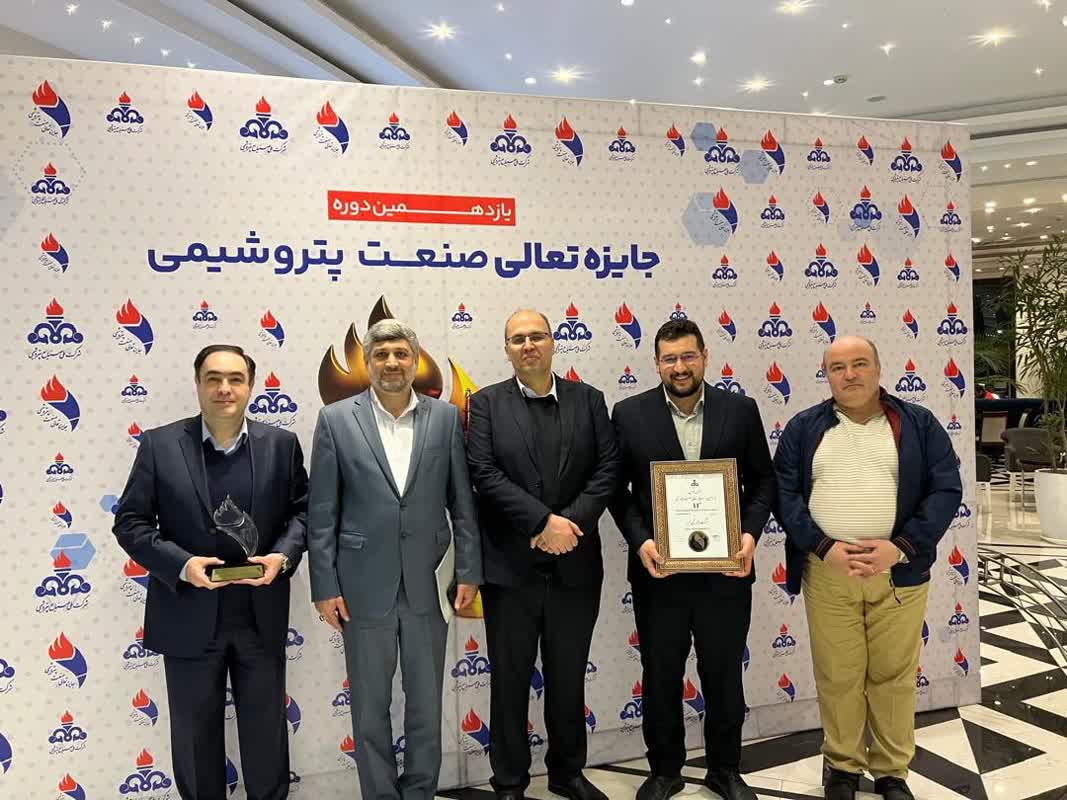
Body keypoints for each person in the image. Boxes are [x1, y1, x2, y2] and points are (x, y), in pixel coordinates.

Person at [113, 344, 308, 800]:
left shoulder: (281, 445)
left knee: (267, 737)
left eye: (235, 379)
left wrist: (282, 557)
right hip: (187, 617)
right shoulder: (160, 446)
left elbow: (303, 513)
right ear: (198, 384)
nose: (225, 388)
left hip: (259, 617)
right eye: (213, 378)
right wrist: (182, 565)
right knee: (195, 741)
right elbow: (130, 522)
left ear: (251, 386)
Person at [773, 336, 962, 800]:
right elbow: (785, 495)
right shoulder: (803, 428)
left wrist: (901, 547)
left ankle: (892, 772)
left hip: (898, 573)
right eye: (838, 368)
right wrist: (823, 547)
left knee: (893, 677)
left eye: (859, 364)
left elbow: (945, 490)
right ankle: (842, 766)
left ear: (878, 369)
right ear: (826, 375)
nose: (850, 374)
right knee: (838, 675)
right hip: (828, 573)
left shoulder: (919, 424)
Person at [307, 319, 482, 800]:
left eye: (401, 354)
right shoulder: (336, 420)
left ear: (415, 361)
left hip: (430, 582)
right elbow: (321, 512)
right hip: (362, 586)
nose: (391, 363)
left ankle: (421, 790)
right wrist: (324, 585)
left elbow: (462, 504)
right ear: (367, 362)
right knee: (369, 708)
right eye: (381, 354)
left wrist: (469, 570)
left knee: (427, 702)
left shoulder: (445, 419)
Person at [611, 319, 776, 800]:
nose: (679, 367)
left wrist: (749, 535)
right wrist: (641, 541)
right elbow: (617, 491)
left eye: (688, 356)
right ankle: (665, 770)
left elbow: (763, 481)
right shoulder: (629, 413)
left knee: (723, 675)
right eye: (669, 359)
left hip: (726, 571)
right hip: (659, 573)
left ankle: (725, 769)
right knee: (661, 675)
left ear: (705, 356)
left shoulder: (740, 410)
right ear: (656, 363)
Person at [466, 309, 620, 800]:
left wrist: (567, 525)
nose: (528, 345)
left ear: (554, 342)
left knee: (568, 676)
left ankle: (567, 772)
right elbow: (483, 473)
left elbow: (608, 470)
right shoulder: (485, 404)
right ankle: (509, 780)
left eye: (537, 336)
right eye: (518, 339)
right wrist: (540, 523)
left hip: (575, 564)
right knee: (509, 681)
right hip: (511, 570)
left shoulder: (589, 400)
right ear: (506, 349)